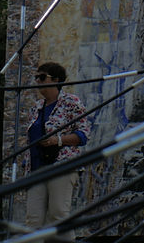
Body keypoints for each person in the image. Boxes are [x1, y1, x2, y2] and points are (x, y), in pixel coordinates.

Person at [24, 62, 91, 229]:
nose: (38, 81)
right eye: (36, 78)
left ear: (56, 80)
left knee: (58, 215)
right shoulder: (36, 108)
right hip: (37, 169)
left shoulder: (71, 102)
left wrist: (58, 140)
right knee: (33, 219)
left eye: (41, 77)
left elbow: (84, 134)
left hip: (61, 165)